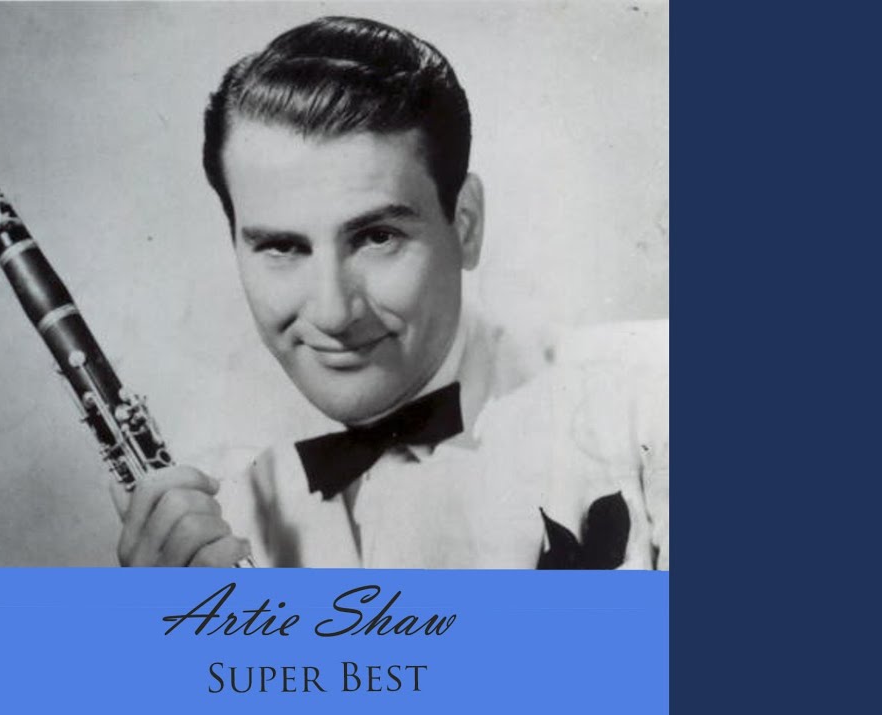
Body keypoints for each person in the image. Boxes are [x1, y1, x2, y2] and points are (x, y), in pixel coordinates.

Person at [111, 16, 668, 569]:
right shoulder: (217, 524)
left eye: (377, 237)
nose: (333, 313)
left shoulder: (655, 394)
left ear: (466, 225)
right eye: (281, 247)